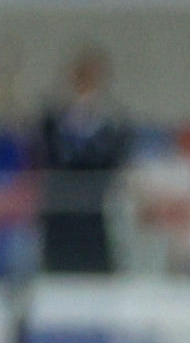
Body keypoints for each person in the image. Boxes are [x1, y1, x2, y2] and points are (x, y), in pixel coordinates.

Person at [33, 44, 133, 278]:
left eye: (90, 81)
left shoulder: (114, 128)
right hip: (59, 220)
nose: (84, 88)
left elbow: (115, 167)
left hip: (95, 220)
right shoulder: (53, 123)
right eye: (79, 80)